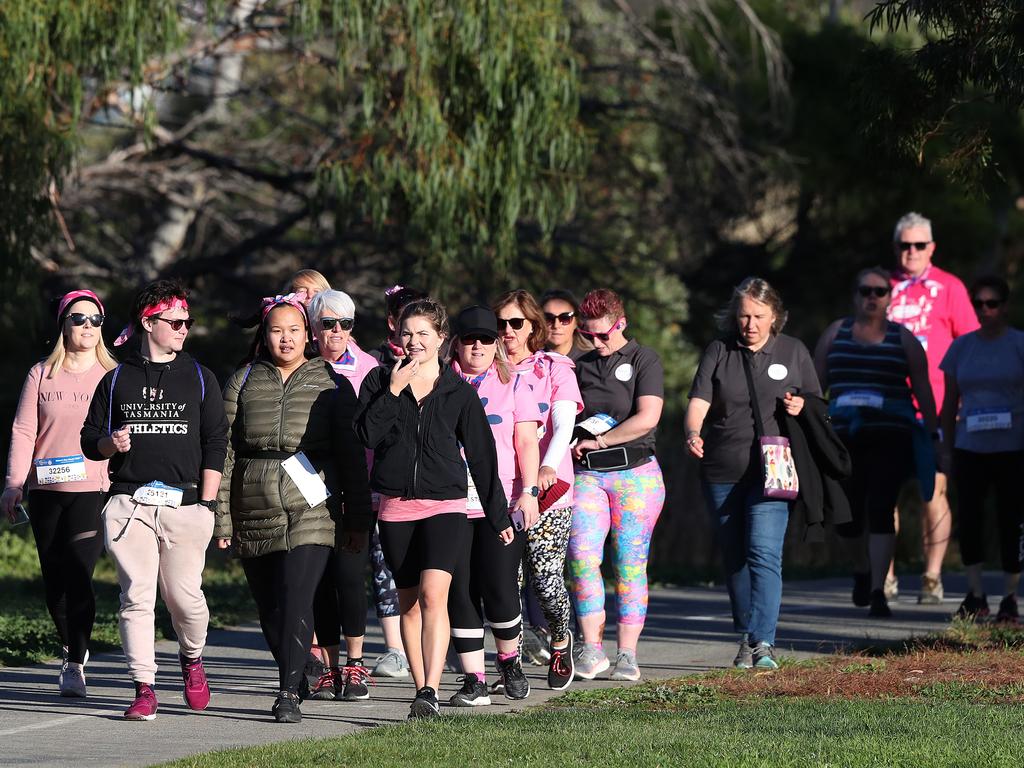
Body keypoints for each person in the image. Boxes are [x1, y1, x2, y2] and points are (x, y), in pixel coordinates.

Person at [215, 294, 371, 723]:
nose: (285, 339)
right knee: (271, 606)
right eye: (276, 330)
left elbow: (352, 457)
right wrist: (220, 516)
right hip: (253, 500)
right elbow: (224, 452)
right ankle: (298, 671)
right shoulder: (243, 380)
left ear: (309, 335)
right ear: (264, 336)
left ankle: (286, 693)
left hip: (313, 506)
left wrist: (357, 519)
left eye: (294, 330)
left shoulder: (333, 383)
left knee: (297, 594)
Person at [80, 279, 228, 721]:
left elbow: (216, 440)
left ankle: (192, 658)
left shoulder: (201, 378)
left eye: (188, 322)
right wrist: (111, 444)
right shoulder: (117, 378)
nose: (185, 328)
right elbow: (90, 441)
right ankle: (144, 687)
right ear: (149, 322)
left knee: (186, 599)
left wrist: (207, 504)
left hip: (186, 506)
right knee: (136, 597)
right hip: (129, 504)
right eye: (176, 321)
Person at [355, 299, 510, 719]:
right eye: (407, 333)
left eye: (424, 334)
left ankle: (429, 690)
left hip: (445, 504)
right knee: (408, 602)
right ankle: (422, 688)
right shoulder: (378, 380)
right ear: (397, 337)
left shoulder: (458, 391)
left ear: (442, 340)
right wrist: (392, 390)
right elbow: (366, 435)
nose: (414, 341)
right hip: (394, 507)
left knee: (433, 595)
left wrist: (498, 515)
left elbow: (482, 456)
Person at [686, 277, 820, 670]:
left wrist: (802, 406)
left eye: (759, 316)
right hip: (723, 469)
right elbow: (698, 401)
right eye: (744, 316)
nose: (751, 324)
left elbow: (816, 401)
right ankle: (747, 632)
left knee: (764, 552)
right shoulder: (719, 350)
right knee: (735, 556)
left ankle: (763, 642)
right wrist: (692, 432)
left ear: (774, 316)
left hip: (775, 471)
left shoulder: (793, 351)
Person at [2, 290, 117, 697]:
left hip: (93, 487)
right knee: (55, 579)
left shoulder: (113, 374)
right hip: (46, 488)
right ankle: (68, 645)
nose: (87, 326)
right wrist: (13, 484)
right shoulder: (40, 374)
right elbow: (23, 430)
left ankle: (76, 660)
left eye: (95, 320)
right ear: (63, 325)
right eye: (78, 319)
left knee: (80, 573)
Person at [814, 268, 938, 618]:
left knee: (882, 506)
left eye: (879, 291)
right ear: (855, 296)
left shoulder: (904, 339)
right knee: (846, 516)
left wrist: (935, 437)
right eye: (865, 290)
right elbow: (813, 385)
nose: (872, 297)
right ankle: (861, 568)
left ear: (889, 297)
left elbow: (924, 391)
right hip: (841, 437)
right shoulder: (835, 334)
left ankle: (879, 590)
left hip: (890, 434)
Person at [305, 289, 406, 700]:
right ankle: (328, 667)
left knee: (350, 579)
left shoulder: (371, 369)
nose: (337, 331)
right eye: (327, 323)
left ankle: (355, 664)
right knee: (319, 581)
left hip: (357, 490)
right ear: (313, 327)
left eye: (345, 323)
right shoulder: (299, 367)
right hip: (307, 490)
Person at [446, 305, 542, 706]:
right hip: (448, 501)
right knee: (460, 592)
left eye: (487, 338)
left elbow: (526, 443)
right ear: (456, 343)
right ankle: (474, 680)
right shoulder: (437, 383)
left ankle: (509, 663)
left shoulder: (515, 384)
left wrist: (530, 491)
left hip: (500, 501)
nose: (480, 346)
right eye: (471, 339)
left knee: (501, 587)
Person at [568, 288, 665, 681]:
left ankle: (627, 653)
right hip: (589, 475)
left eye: (603, 334)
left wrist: (603, 440)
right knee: (581, 555)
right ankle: (592, 647)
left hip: (636, 475)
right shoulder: (580, 364)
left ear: (620, 324)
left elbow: (648, 417)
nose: (596, 342)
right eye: (588, 335)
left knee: (629, 563)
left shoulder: (645, 359)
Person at [887, 212, 979, 603]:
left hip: (936, 410)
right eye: (905, 245)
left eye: (919, 245)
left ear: (931, 248)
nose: (911, 252)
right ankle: (884, 576)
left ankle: (932, 576)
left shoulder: (950, 287)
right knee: (883, 495)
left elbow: (972, 346)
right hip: (888, 408)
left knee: (933, 493)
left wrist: (963, 405)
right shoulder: (881, 287)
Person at [494, 290, 584, 689]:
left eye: (516, 323)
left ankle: (562, 639)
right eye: (501, 323)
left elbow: (563, 424)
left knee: (546, 579)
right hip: (499, 491)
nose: (507, 331)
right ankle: (509, 664)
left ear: (533, 327)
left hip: (549, 489)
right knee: (504, 582)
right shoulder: (484, 368)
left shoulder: (554, 368)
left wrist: (547, 465)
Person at [940, 276, 1024, 622]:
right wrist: (945, 447)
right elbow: (949, 402)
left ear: (1004, 306)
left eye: (992, 304)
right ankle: (975, 594)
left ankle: (1009, 596)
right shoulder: (961, 348)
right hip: (970, 445)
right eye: (979, 304)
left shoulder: (1019, 344)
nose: (985, 311)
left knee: (1011, 520)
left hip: (1012, 447)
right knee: (971, 519)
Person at [367, 285, 429, 367]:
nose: (413, 326)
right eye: (405, 321)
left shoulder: (433, 359)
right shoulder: (371, 361)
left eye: (420, 320)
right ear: (392, 323)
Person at [541, 289, 591, 360]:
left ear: (576, 322)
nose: (556, 325)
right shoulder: (529, 362)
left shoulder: (591, 363)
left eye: (565, 318)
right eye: (549, 318)